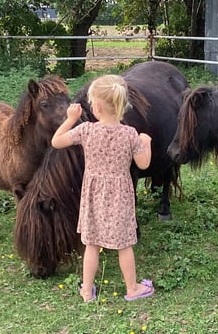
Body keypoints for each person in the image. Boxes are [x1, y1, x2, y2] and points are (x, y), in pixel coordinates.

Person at [51, 75, 155, 303]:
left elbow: (56, 142)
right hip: (120, 196)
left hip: (93, 195)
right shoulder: (130, 135)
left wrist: (70, 119)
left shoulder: (86, 130)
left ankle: (87, 291)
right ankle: (133, 288)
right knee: (124, 245)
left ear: (96, 107)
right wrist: (146, 142)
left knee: (92, 244)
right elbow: (144, 164)